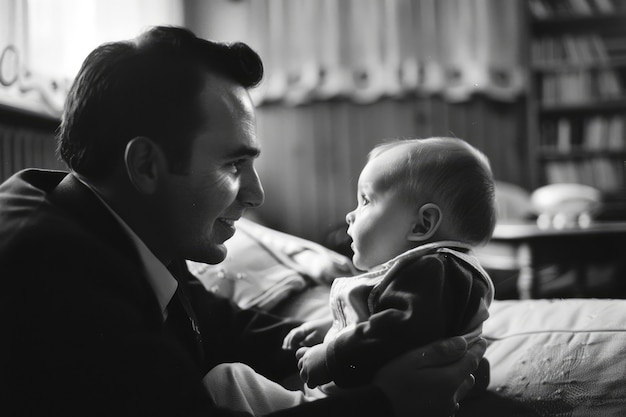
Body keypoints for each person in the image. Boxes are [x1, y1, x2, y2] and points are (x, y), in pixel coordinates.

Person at [0, 26, 485, 417]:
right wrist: (387, 404)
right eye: (234, 165)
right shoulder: (48, 273)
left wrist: (345, 332)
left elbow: (220, 327)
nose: (256, 193)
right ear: (145, 165)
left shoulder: (126, 227)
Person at [204, 137, 496, 415]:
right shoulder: (439, 273)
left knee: (227, 380)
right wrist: (335, 325)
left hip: (367, 407)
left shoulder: (434, 269)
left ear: (422, 224)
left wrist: (331, 355)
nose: (351, 215)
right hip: (362, 402)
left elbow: (395, 331)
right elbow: (386, 318)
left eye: (366, 201)